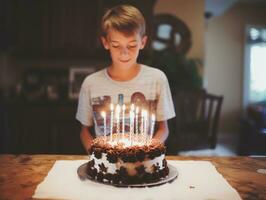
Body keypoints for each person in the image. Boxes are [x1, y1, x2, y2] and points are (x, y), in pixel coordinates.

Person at [76, 4, 175, 152]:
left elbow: (163, 129)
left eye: (132, 45)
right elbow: (84, 131)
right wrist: (98, 157)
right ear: (105, 43)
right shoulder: (91, 84)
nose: (124, 53)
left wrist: (146, 152)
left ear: (143, 42)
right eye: (116, 45)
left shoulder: (157, 79)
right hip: (105, 165)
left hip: (143, 164)